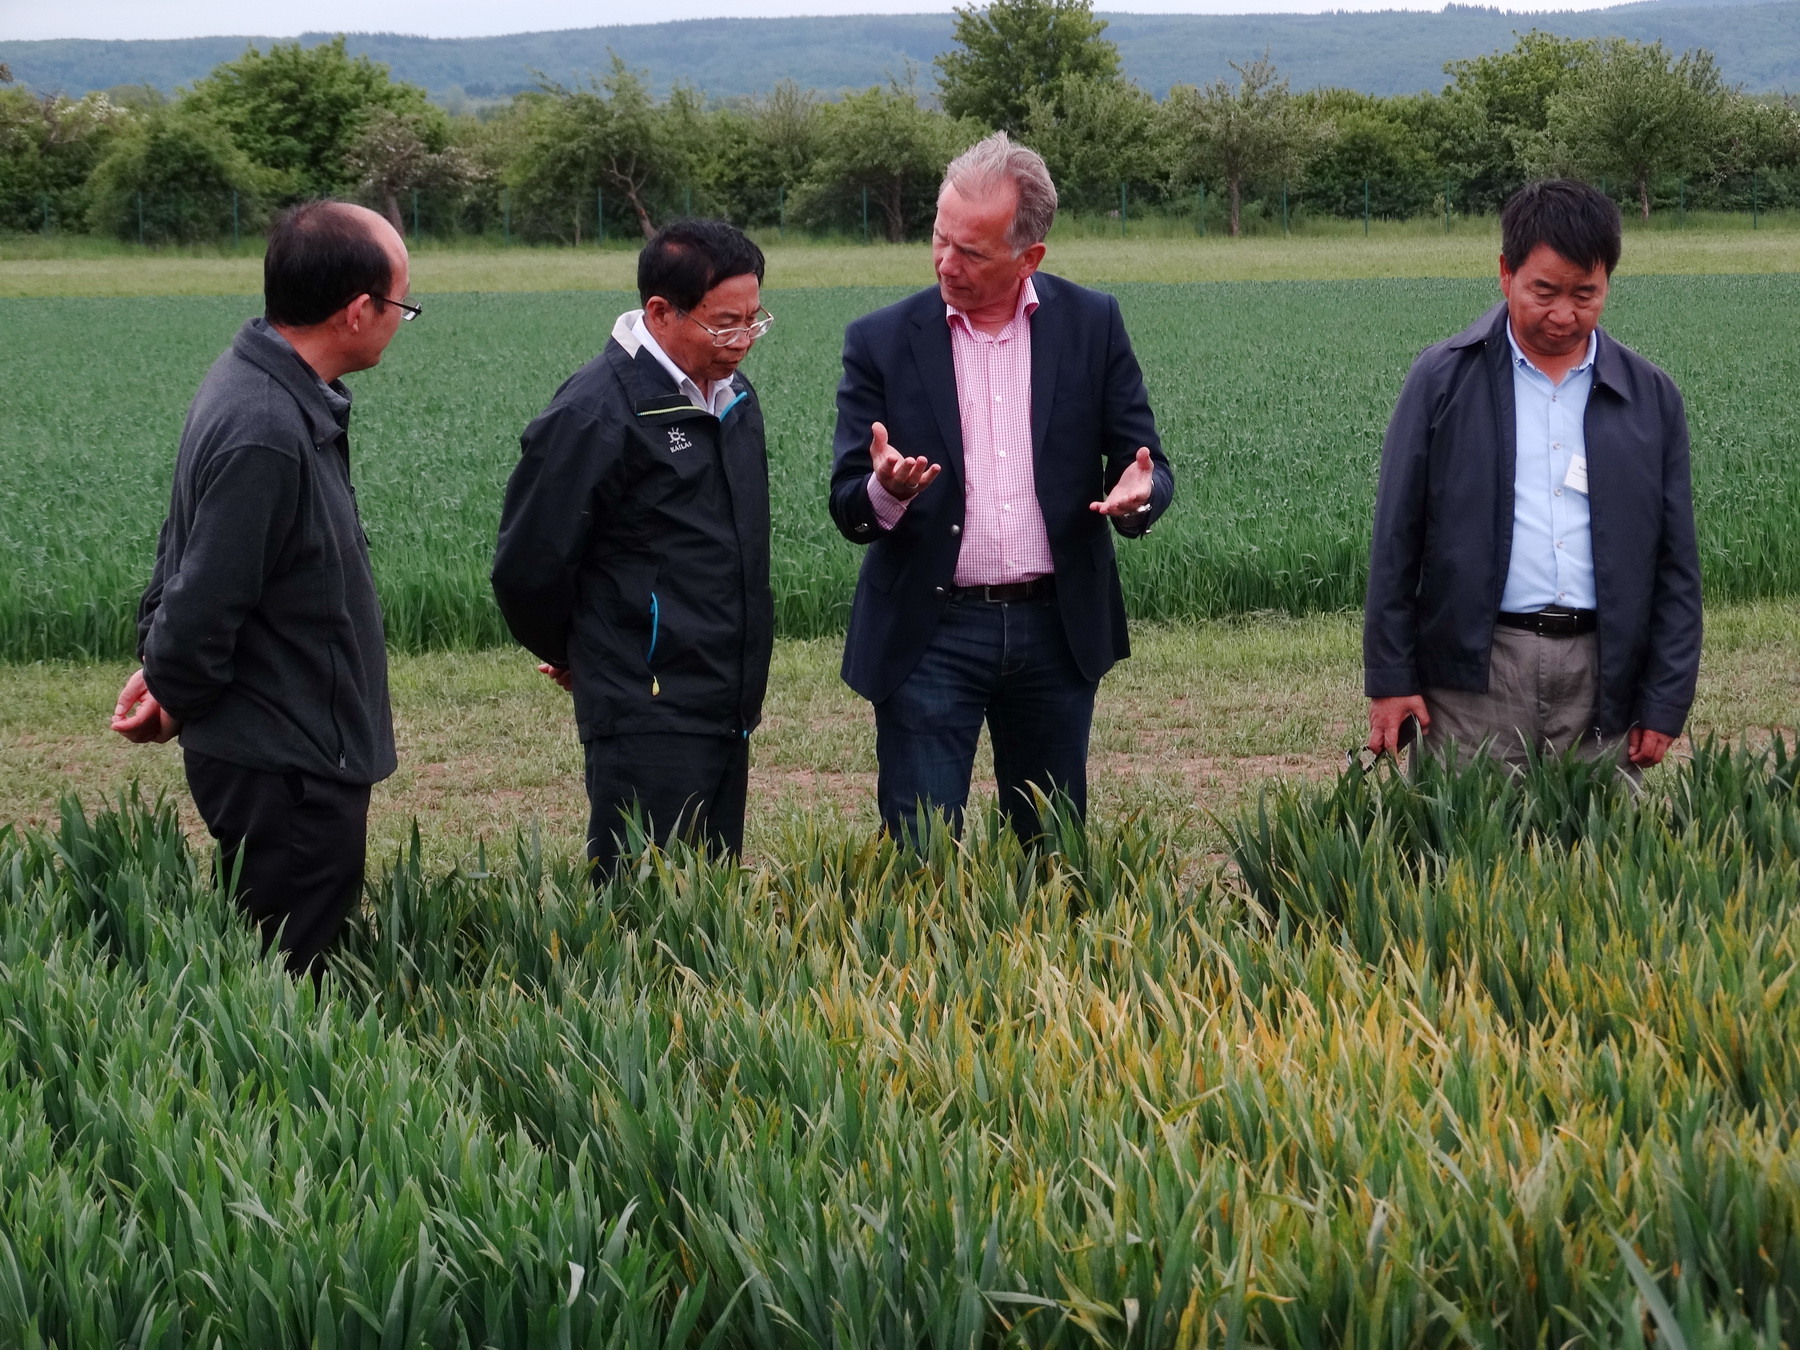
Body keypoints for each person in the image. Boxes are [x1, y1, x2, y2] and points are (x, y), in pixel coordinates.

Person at [828, 132, 1175, 844]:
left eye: (972, 252)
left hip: (1057, 627)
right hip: (929, 633)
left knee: (1052, 852)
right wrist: (886, 492)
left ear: (1030, 257)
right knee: (922, 859)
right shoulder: (881, 341)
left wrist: (1140, 495)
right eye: (939, 238)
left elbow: (1146, 464)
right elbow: (847, 503)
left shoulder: (1093, 324)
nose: (945, 263)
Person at [111, 200, 411, 975]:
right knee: (288, 981)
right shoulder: (269, 427)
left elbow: (197, 551)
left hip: (287, 745)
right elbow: (209, 590)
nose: (398, 323)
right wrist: (173, 681)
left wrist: (169, 674)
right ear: (357, 311)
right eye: (401, 307)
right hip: (287, 760)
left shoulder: (257, 380)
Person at [1363, 179, 1702, 773]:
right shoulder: (1442, 382)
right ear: (1505, 273)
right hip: (1473, 678)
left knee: (1600, 859)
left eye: (1585, 294)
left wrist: (1666, 697)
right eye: (1544, 291)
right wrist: (1391, 678)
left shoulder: (1651, 399)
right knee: (1468, 855)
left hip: (1604, 679)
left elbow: (1675, 566)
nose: (1564, 314)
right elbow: (1396, 540)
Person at [492, 219, 773, 876]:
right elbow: (527, 569)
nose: (742, 342)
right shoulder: (596, 411)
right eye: (725, 323)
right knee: (644, 910)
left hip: (726, 697)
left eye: (754, 322)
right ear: (659, 311)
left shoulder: (734, 398)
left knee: (707, 901)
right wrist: (583, 653)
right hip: (645, 702)